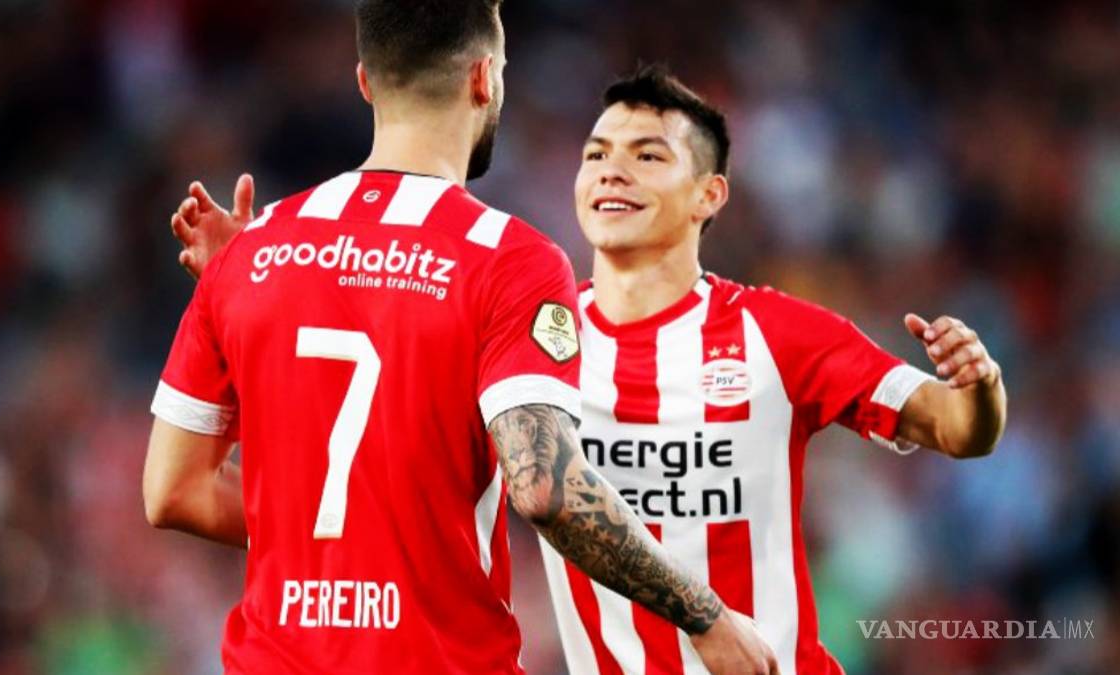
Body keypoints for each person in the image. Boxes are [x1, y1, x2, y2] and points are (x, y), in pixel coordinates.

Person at [171, 64, 1006, 673]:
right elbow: (364, 452)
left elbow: (955, 427)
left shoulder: (776, 332)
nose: (612, 169)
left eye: (648, 155)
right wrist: (256, 281)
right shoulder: (521, 343)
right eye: (597, 152)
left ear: (709, 195)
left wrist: (981, 389)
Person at [144, 2, 776, 674]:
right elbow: (544, 487)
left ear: (365, 81)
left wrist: (243, 284)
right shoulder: (509, 259)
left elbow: (172, 490)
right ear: (483, 78)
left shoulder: (253, 252)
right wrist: (703, 613)